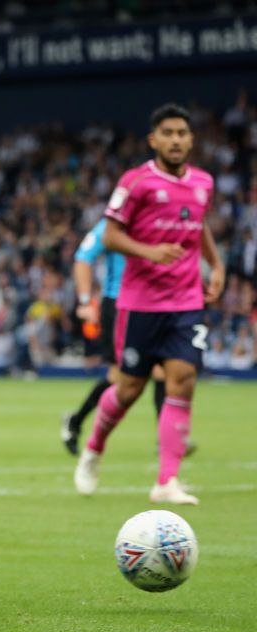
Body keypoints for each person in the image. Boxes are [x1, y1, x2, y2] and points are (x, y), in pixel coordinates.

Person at [73, 103, 225, 505]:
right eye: (168, 133)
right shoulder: (136, 181)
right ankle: (94, 447)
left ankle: (167, 480)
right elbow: (109, 236)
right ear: (153, 139)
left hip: (187, 301)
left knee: (182, 381)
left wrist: (216, 264)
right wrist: (148, 251)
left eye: (182, 133)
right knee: (128, 390)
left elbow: (201, 223)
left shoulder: (203, 182)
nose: (176, 140)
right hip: (139, 303)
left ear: (191, 139)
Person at [61, 219, 197, 458]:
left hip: (153, 304)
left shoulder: (157, 220)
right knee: (118, 378)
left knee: (161, 372)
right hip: (119, 304)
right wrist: (84, 301)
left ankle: (165, 441)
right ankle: (76, 420)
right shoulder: (112, 224)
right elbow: (83, 258)